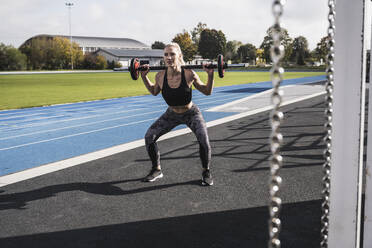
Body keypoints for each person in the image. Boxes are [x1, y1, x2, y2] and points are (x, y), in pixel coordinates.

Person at [140, 43, 214, 186]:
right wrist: (143, 77)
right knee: (149, 136)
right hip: (171, 114)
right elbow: (154, 91)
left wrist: (210, 76)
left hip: (191, 113)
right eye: (166, 54)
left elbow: (207, 91)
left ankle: (206, 171)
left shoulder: (189, 73)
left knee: (204, 140)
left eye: (172, 54)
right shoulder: (160, 76)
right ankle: (156, 169)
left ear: (179, 56)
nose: (168, 57)